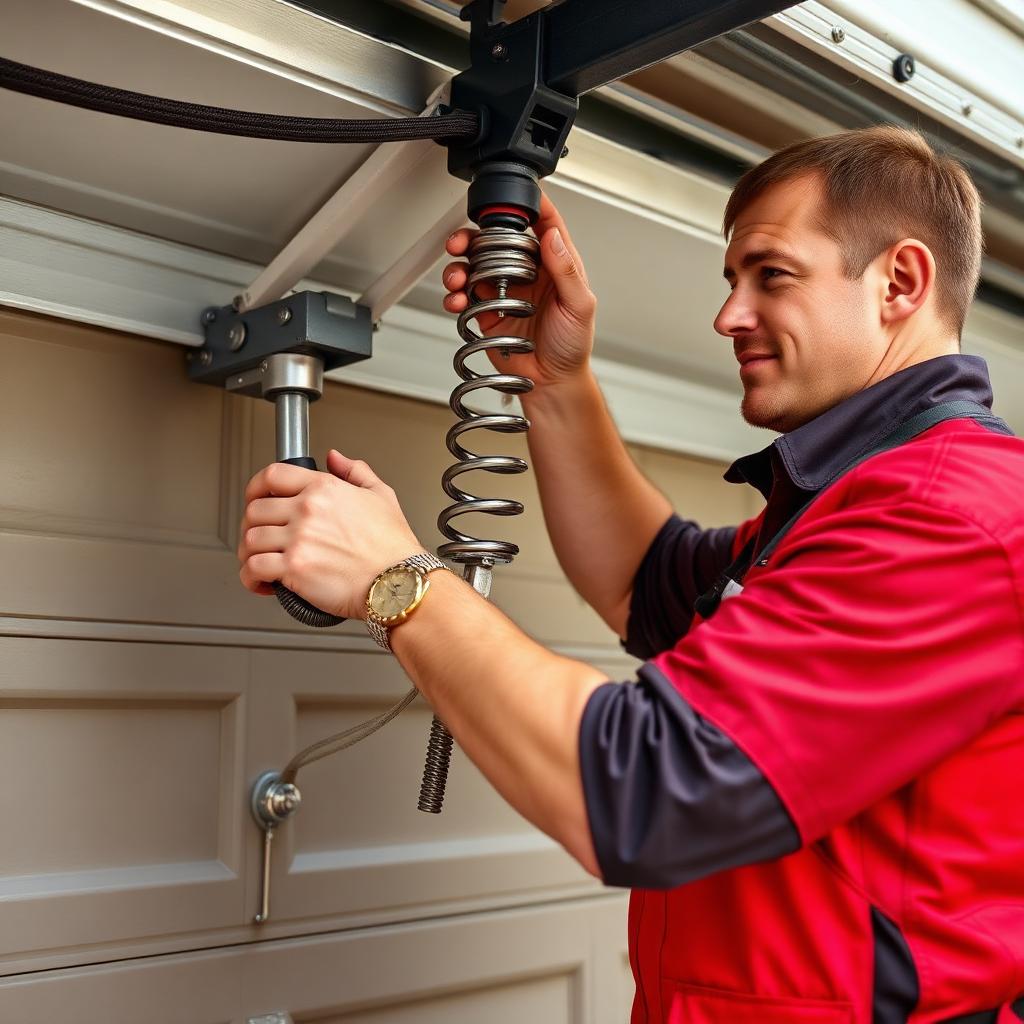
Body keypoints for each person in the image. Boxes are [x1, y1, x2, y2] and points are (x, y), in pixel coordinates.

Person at [237, 125, 1024, 1022]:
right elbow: (644, 583)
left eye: (771, 275)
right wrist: (550, 377)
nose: (728, 316)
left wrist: (397, 578)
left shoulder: (946, 515)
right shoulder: (859, 500)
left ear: (901, 282)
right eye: (731, 280)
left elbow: (648, 788)